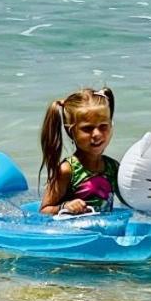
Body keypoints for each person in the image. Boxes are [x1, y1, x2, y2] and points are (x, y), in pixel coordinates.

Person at [39, 87, 119, 215]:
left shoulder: (113, 168)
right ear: (71, 131)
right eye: (87, 128)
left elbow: (131, 200)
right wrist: (65, 207)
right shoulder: (67, 171)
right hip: (74, 228)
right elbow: (44, 210)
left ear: (111, 125)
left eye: (103, 126)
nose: (97, 134)